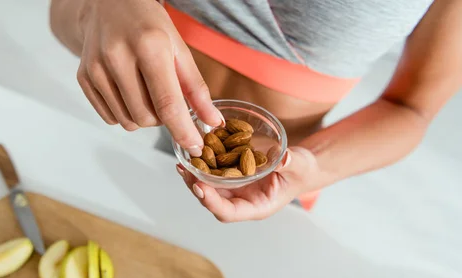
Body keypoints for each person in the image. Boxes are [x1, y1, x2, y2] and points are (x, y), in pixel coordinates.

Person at [49, 0, 462, 222]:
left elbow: (412, 108)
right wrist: (99, 7)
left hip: (269, 185)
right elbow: (61, 13)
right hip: (146, 140)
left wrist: (311, 169)